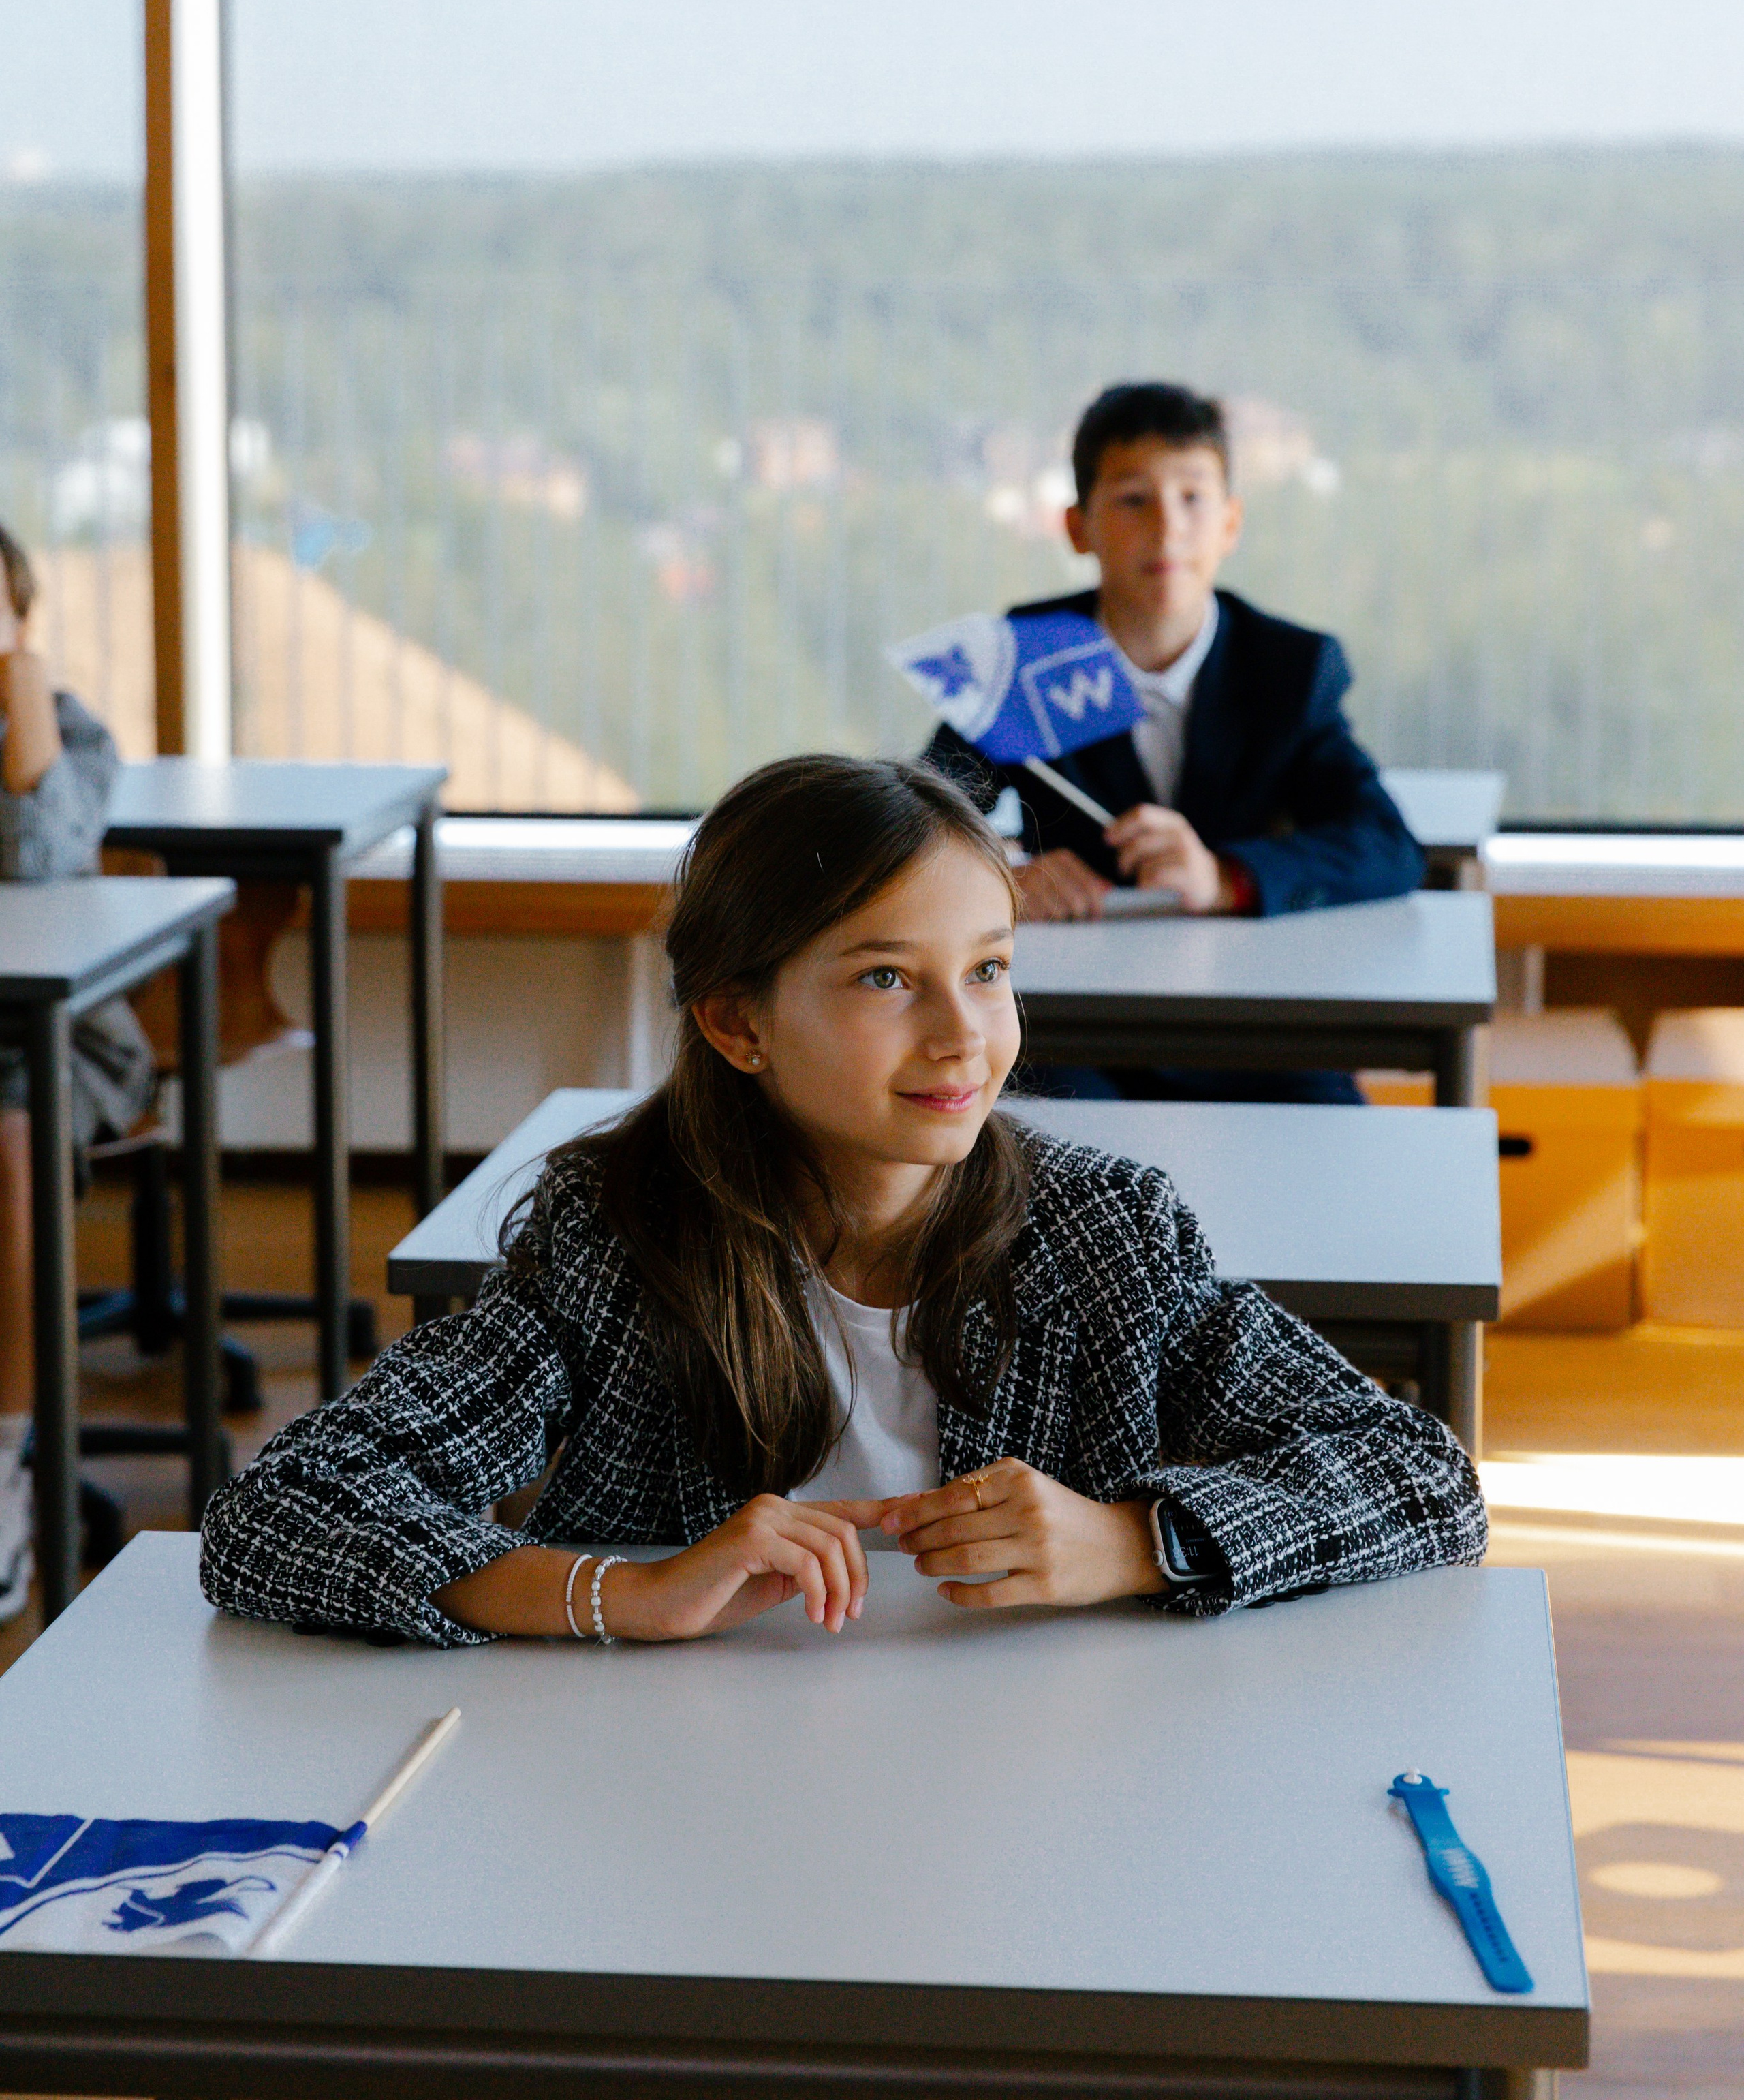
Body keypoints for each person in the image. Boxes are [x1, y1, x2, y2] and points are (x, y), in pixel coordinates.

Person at [200, 754, 1482, 1649]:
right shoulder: (615, 1233)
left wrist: (1135, 1543)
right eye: (884, 980)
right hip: (686, 1809)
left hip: (1037, 1802)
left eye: (987, 970)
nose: (962, 1036)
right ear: (737, 1023)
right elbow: (283, 1512)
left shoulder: (1107, 1235)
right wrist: (622, 1596)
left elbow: (1426, 1479)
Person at [922, 381, 1424, 1105]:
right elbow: (917, 819)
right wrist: (1003, 875)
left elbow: (1383, 843)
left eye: (1193, 499)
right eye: (1133, 500)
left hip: (1252, 1023)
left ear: (1230, 523)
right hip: (1074, 1031)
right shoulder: (1026, 660)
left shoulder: (1287, 668)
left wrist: (1223, 876)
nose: (1166, 529)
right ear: (1077, 527)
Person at [0, 524, 155, 1621]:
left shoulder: (66, 733)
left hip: (52, 1047)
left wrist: (20, 684)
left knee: (8, 1132)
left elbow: (39, 856)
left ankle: (6, 1461)